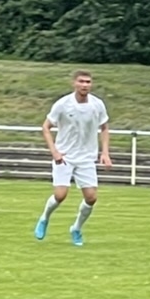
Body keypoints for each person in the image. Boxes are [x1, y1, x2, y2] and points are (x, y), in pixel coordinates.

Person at [35, 70, 112, 245]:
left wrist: (105, 153)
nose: (85, 85)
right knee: (60, 195)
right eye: (81, 81)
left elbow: (104, 127)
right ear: (74, 83)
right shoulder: (63, 104)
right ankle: (44, 218)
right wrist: (54, 151)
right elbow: (46, 127)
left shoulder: (97, 104)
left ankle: (76, 228)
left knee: (91, 198)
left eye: (88, 82)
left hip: (86, 157)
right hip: (65, 156)